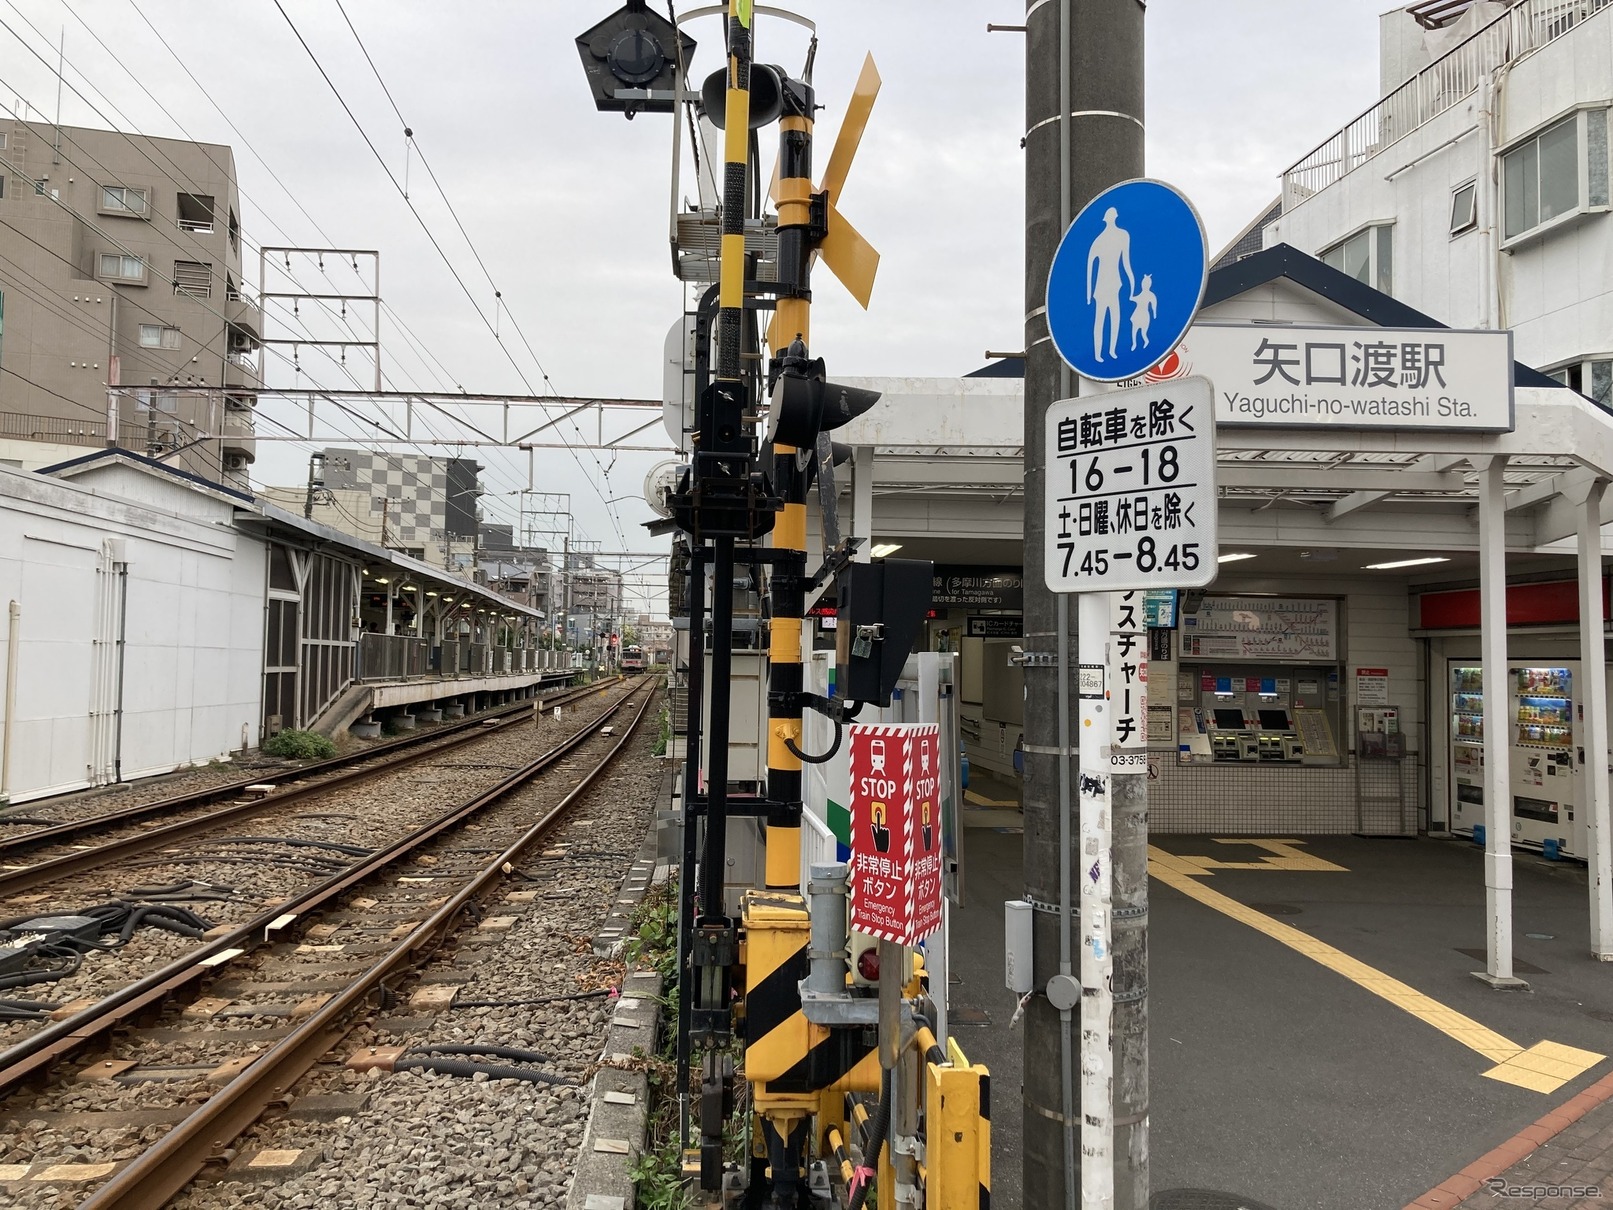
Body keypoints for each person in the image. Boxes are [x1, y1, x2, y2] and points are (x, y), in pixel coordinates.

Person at [1085, 206, 1136, 364]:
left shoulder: (1120, 236)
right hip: (1103, 287)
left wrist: (1132, 284)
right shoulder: (1101, 240)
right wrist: (1088, 294)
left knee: (1112, 318)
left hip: (1113, 284)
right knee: (1104, 320)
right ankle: (1100, 353)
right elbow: (1090, 268)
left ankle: (1111, 351)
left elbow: (1126, 262)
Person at [1129, 272, 1158, 351]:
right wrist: (1131, 297)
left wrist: (1154, 314)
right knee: (1134, 331)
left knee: (1143, 333)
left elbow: (1154, 305)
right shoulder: (1141, 294)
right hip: (1137, 314)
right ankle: (1134, 344)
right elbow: (1134, 299)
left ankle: (1146, 341)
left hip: (1144, 315)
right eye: (1144, 283)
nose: (1144, 285)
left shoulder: (1151, 295)